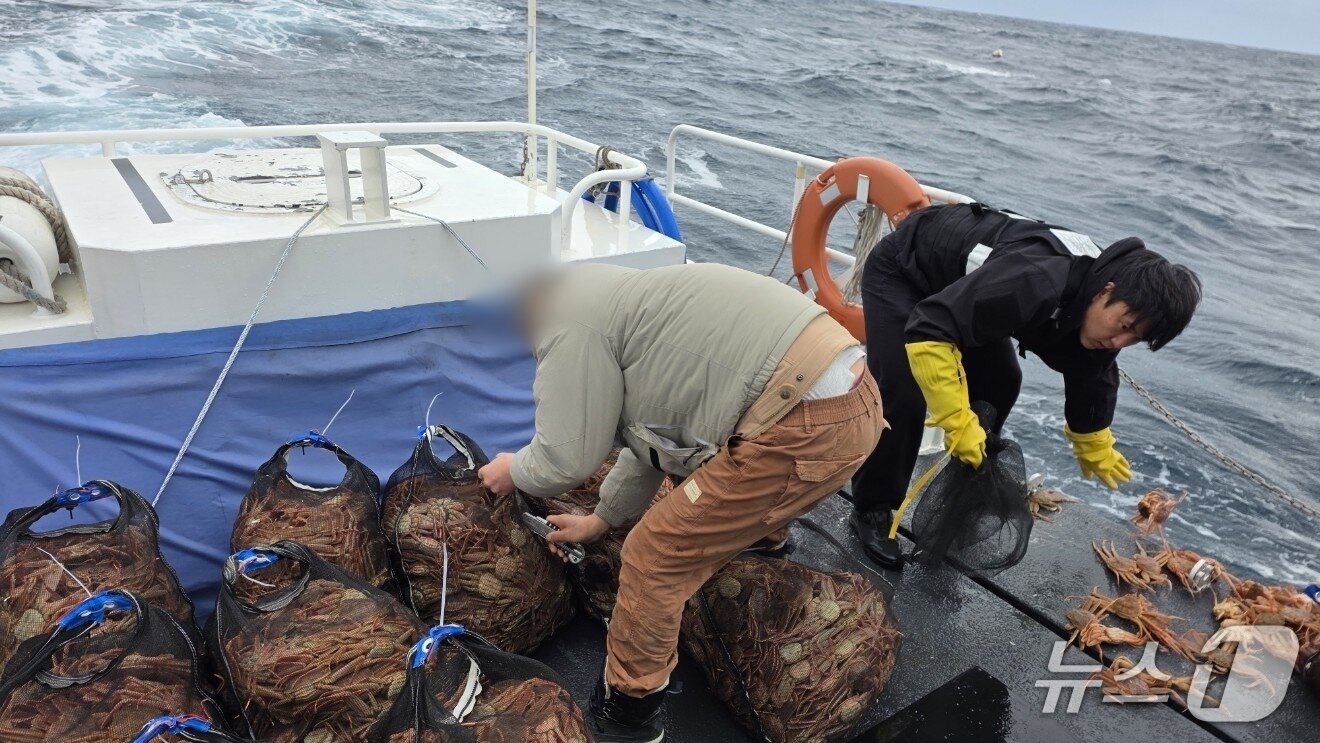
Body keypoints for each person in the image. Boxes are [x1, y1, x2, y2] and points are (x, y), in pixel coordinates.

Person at [477, 262, 886, 743]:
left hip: (803, 425)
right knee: (705, 477)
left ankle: (631, 715)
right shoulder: (618, 295)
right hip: (858, 397)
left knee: (653, 555)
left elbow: (566, 460)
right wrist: (602, 519)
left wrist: (512, 469)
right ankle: (760, 547)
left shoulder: (565, 322)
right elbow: (654, 443)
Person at [849, 202, 1202, 568]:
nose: (1118, 342)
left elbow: (1092, 373)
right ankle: (872, 508)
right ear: (1105, 291)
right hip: (907, 273)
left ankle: (967, 491)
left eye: (1134, 338)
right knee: (904, 392)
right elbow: (930, 329)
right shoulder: (1037, 278)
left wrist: (1092, 439)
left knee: (1002, 381)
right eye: (1124, 326)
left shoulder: (1102, 306)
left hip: (966, 296)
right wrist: (956, 419)